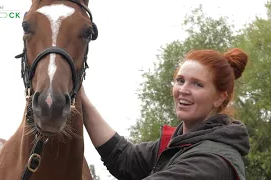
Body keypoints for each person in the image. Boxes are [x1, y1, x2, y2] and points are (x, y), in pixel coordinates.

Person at [80, 48, 250, 180]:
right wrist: (82, 100)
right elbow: (124, 158)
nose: (183, 90)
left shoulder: (212, 161)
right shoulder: (178, 144)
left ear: (219, 98)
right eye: (180, 80)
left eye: (197, 84)